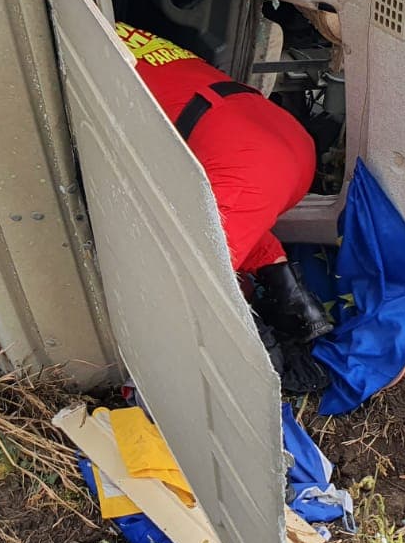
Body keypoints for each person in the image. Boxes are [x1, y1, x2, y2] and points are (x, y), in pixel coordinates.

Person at [114, 23, 334, 368]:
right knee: (232, 225)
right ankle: (297, 305)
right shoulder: (118, 28)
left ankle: (260, 364)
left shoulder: (64, 36)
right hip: (286, 139)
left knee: (198, 277)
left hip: (244, 161)